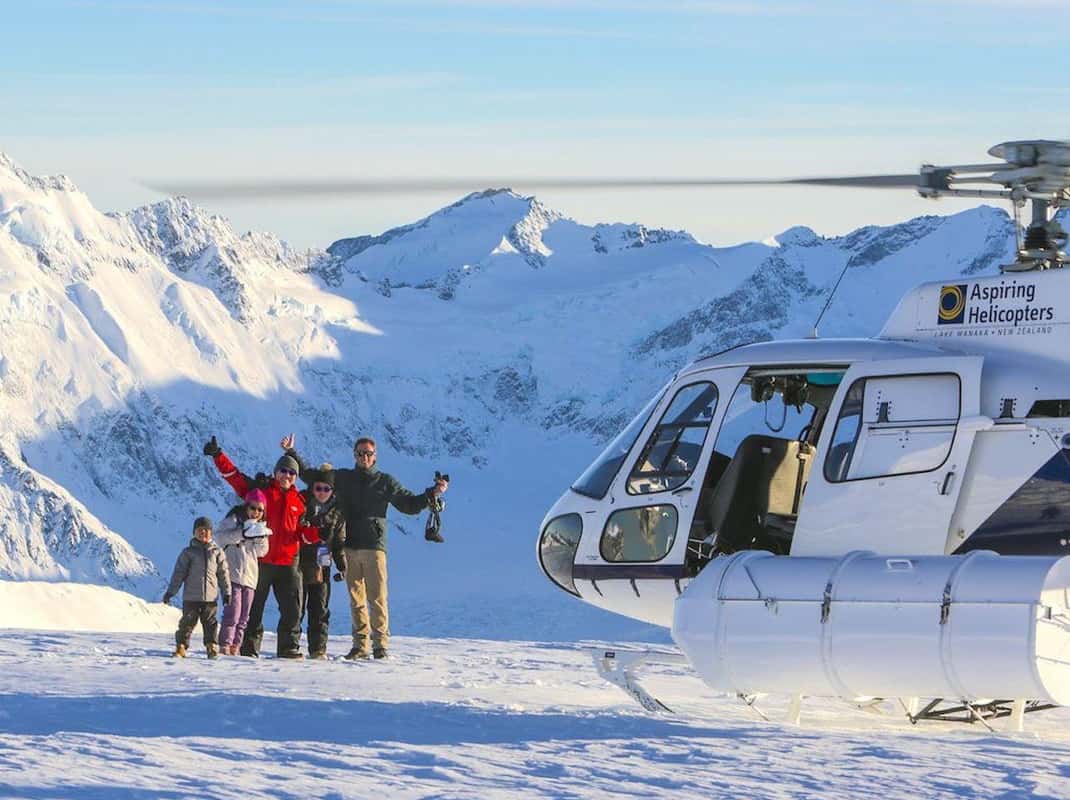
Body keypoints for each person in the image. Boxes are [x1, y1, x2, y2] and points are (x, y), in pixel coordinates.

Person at [285, 435, 447, 660]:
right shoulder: (343, 477)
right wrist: (292, 453)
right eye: (360, 453)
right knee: (356, 599)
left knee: (378, 597)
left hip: (374, 547)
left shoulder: (385, 481)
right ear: (355, 455)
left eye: (368, 453)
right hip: (350, 545)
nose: (364, 457)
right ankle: (360, 645)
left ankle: (380, 645)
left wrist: (432, 494)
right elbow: (312, 476)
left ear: (375, 456)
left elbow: (408, 504)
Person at [203, 435, 306, 659]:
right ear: (276, 471)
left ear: (296, 477)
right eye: (283, 471)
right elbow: (236, 478)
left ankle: (289, 648)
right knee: (253, 608)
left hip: (289, 561)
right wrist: (218, 456)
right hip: (261, 561)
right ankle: (249, 648)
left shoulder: (300, 500)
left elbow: (308, 523)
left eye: (291, 473)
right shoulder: (262, 492)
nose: (286, 476)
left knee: (292, 608)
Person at [296, 465, 346, 659]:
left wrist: (342, 565)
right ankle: (290, 646)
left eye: (327, 489)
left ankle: (318, 649)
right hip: (300, 558)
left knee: (319, 607)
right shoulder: (302, 503)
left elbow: (340, 542)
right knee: (296, 606)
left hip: (322, 561)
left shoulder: (338, 511)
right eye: (318, 488)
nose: (322, 492)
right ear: (312, 488)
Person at [214, 489, 273, 656]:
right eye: (253, 508)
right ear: (246, 506)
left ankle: (236, 646)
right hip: (233, 573)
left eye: (260, 510)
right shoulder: (233, 520)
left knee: (244, 615)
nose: (256, 512)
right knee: (233, 611)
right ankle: (225, 644)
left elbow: (262, 551)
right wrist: (242, 534)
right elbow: (220, 538)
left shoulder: (261, 527)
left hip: (250, 577)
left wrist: (259, 537)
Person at [163, 516, 230, 659]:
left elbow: (223, 575)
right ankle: (181, 646)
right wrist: (171, 592)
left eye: (206, 530)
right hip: (191, 597)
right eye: (200, 530)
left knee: (211, 624)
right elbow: (178, 574)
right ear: (194, 533)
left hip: (210, 598)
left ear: (211, 533)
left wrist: (227, 593)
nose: (203, 533)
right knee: (187, 623)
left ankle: (211, 647)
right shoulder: (188, 552)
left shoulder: (217, 552)